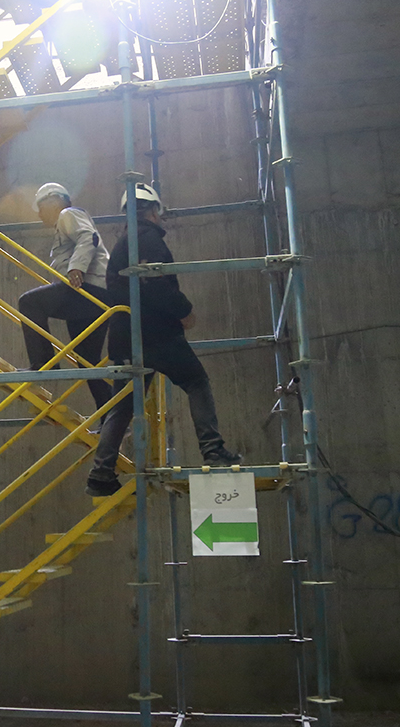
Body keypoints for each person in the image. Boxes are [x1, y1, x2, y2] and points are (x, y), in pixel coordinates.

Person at [86, 182, 242, 496]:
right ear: (153, 211)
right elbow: (156, 283)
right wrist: (184, 312)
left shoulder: (124, 242)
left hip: (125, 338)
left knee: (122, 406)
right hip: (156, 335)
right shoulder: (148, 238)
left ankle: (100, 475)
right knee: (196, 383)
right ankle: (213, 450)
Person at [18, 183, 113, 410]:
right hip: (98, 296)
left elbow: (88, 237)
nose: (40, 215)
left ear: (54, 202)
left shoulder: (68, 214)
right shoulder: (66, 221)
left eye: (41, 208)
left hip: (87, 290)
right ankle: (112, 417)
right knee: (87, 361)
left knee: (29, 303)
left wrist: (76, 267)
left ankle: (43, 363)